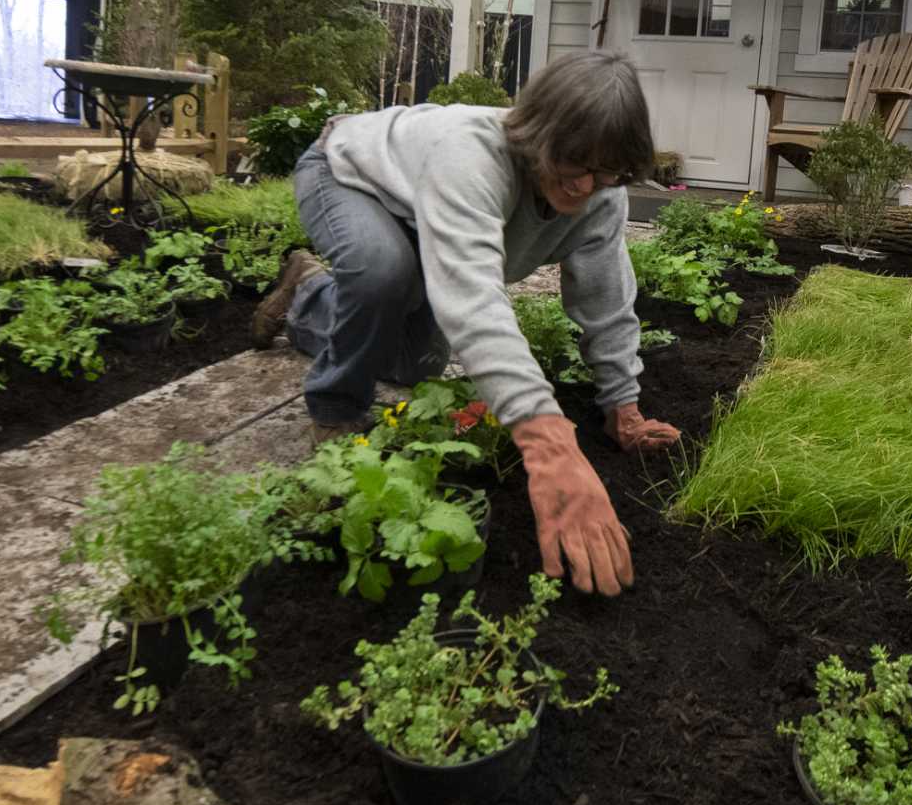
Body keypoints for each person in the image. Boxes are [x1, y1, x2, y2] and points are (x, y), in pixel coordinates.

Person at [253, 51, 683, 598]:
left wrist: (623, 406)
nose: (585, 187)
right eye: (574, 163)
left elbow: (605, 297)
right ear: (538, 137)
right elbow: (475, 299)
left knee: (415, 365)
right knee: (384, 271)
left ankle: (305, 295)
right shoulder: (472, 155)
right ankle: (335, 406)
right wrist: (548, 443)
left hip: (425, 211)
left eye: (607, 173)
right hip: (349, 174)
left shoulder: (600, 194)